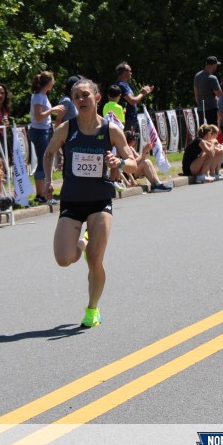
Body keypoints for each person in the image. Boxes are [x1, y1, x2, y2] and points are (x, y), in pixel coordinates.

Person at [41, 77, 136, 327]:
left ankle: (92, 309)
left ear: (97, 97)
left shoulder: (111, 130)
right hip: (72, 200)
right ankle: (82, 242)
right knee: (64, 258)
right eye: (76, 97)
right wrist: (49, 181)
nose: (81, 100)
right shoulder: (66, 129)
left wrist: (120, 163)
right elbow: (49, 153)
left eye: (85, 95)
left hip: (100, 200)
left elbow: (133, 163)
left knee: (95, 259)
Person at [29, 71, 65, 205]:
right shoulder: (39, 97)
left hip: (43, 130)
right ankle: (41, 194)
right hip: (39, 131)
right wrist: (53, 110)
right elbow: (38, 116)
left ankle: (42, 193)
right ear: (49, 82)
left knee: (44, 160)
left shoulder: (42, 96)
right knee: (43, 160)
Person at [115, 61, 153, 133]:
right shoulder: (121, 85)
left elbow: (133, 100)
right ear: (124, 72)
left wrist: (144, 93)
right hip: (127, 119)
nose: (131, 73)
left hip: (131, 119)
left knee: (133, 139)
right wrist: (142, 93)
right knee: (129, 139)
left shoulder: (124, 84)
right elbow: (132, 101)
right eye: (130, 71)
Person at [194, 56, 222, 127]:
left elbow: (196, 93)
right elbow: (220, 95)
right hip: (212, 109)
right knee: (213, 131)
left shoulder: (197, 76)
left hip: (201, 109)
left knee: (204, 130)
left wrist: (199, 105)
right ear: (214, 65)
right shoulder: (212, 78)